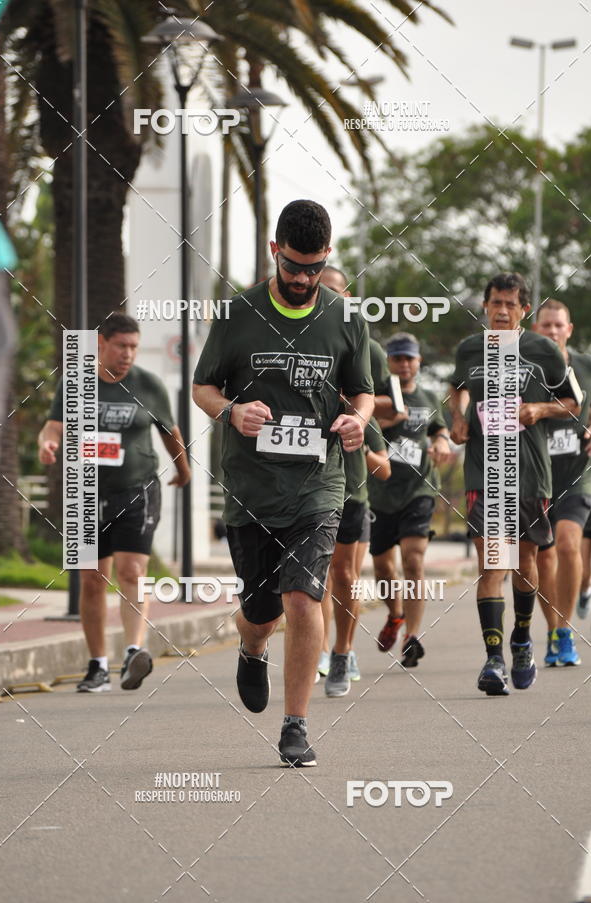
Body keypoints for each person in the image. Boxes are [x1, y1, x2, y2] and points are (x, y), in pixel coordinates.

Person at [192, 200, 374, 766]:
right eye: (293, 266)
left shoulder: (347, 317)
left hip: (319, 485)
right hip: (251, 488)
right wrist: (231, 412)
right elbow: (202, 388)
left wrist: (357, 419)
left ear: (327, 258)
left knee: (303, 598)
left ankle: (296, 726)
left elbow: (362, 391)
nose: (302, 279)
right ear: (275, 251)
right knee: (263, 612)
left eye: (313, 268)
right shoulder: (237, 314)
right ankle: (252, 647)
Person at [38, 313, 191, 692]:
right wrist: (48, 443)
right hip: (85, 491)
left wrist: (183, 469)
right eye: (121, 346)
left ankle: (133, 652)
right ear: (101, 344)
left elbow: (169, 432)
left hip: (136, 489)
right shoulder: (75, 382)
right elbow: (54, 426)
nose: (128, 354)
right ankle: (98, 666)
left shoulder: (147, 385)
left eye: (134, 347)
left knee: (132, 571)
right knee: (91, 580)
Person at [448, 274, 579, 696]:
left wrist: (539, 409)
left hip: (530, 473)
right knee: (492, 563)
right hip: (483, 472)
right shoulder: (470, 349)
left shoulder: (542, 350)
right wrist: (457, 419)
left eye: (510, 304)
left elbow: (573, 402)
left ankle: (522, 638)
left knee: (524, 563)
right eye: (495, 303)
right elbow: (455, 387)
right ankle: (493, 659)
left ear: (524, 309)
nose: (502, 311)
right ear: (485, 306)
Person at [317, 265, 391, 692]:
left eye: (333, 291)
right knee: (313, 578)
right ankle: (319, 650)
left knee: (344, 576)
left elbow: (383, 405)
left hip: (351, 490)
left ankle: (343, 653)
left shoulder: (363, 345)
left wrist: (359, 421)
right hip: (305, 486)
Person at [369, 333, 451, 666]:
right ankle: (396, 614)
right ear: (388, 362)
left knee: (413, 559)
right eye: (397, 358)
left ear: (418, 361)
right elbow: (358, 425)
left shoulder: (429, 397)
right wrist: (387, 420)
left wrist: (442, 442)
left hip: (419, 489)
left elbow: (438, 429)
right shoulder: (374, 395)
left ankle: (412, 636)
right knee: (382, 567)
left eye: (409, 358)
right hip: (379, 493)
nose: (404, 364)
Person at [532, 300, 591, 666]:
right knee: (543, 558)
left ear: (569, 329)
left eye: (559, 325)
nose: (553, 331)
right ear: (536, 330)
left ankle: (565, 631)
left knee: (569, 544)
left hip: (579, 473)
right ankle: (553, 629)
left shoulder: (586, 365)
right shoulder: (527, 370)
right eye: (546, 325)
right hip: (538, 476)